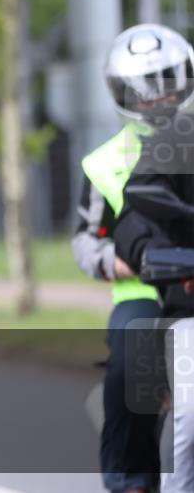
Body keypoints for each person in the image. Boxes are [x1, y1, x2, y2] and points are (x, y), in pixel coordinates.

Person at [72, 24, 194, 493]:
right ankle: (133, 480)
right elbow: (85, 238)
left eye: (167, 85)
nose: (158, 101)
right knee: (132, 358)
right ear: (122, 95)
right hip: (145, 292)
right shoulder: (103, 163)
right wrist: (115, 262)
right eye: (143, 93)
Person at [113, 26, 194, 493]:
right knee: (191, 417)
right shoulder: (179, 138)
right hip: (187, 299)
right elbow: (134, 213)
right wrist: (153, 253)